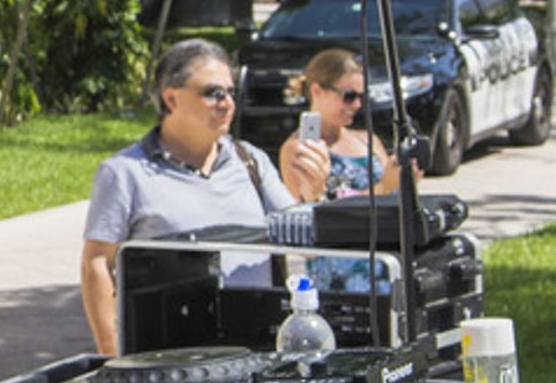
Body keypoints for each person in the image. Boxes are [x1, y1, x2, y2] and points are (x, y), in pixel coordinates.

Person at [79, 39, 329, 355]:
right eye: (213, 93)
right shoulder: (125, 173)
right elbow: (97, 264)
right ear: (171, 98)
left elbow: (300, 240)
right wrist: (110, 354)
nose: (227, 103)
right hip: (170, 355)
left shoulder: (249, 160)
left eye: (230, 92)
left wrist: (314, 193)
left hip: (254, 349)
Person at [277, 48, 405, 203]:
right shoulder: (299, 150)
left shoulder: (368, 140)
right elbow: (311, 210)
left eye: (362, 96)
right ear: (317, 91)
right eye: (349, 96)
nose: (357, 105)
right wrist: (384, 188)